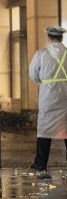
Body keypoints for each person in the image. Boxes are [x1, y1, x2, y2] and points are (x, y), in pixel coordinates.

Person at [29, 25, 67, 178]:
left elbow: (33, 73)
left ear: (49, 38)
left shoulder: (41, 54)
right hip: (65, 95)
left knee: (44, 129)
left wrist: (42, 83)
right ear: (61, 38)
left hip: (48, 96)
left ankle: (41, 163)